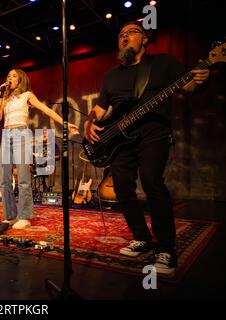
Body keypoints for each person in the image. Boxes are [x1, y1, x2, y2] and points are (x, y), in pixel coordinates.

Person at [84, 21, 210, 274]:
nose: (124, 37)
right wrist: (89, 122)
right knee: (121, 187)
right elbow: (99, 109)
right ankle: (141, 237)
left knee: (152, 181)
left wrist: (200, 76)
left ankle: (165, 248)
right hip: (120, 140)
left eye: (130, 33)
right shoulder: (112, 75)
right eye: (120, 34)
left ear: (144, 39)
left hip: (154, 133)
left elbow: (188, 86)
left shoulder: (163, 63)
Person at [0, 69, 79, 229]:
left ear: (21, 79)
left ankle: (25, 216)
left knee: (24, 178)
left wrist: (64, 123)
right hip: (6, 135)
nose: (10, 78)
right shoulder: (5, 98)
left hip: (21, 133)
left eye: (13, 76)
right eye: (8, 76)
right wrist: (0, 96)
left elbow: (45, 110)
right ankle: (10, 215)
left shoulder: (27, 95)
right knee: (5, 180)